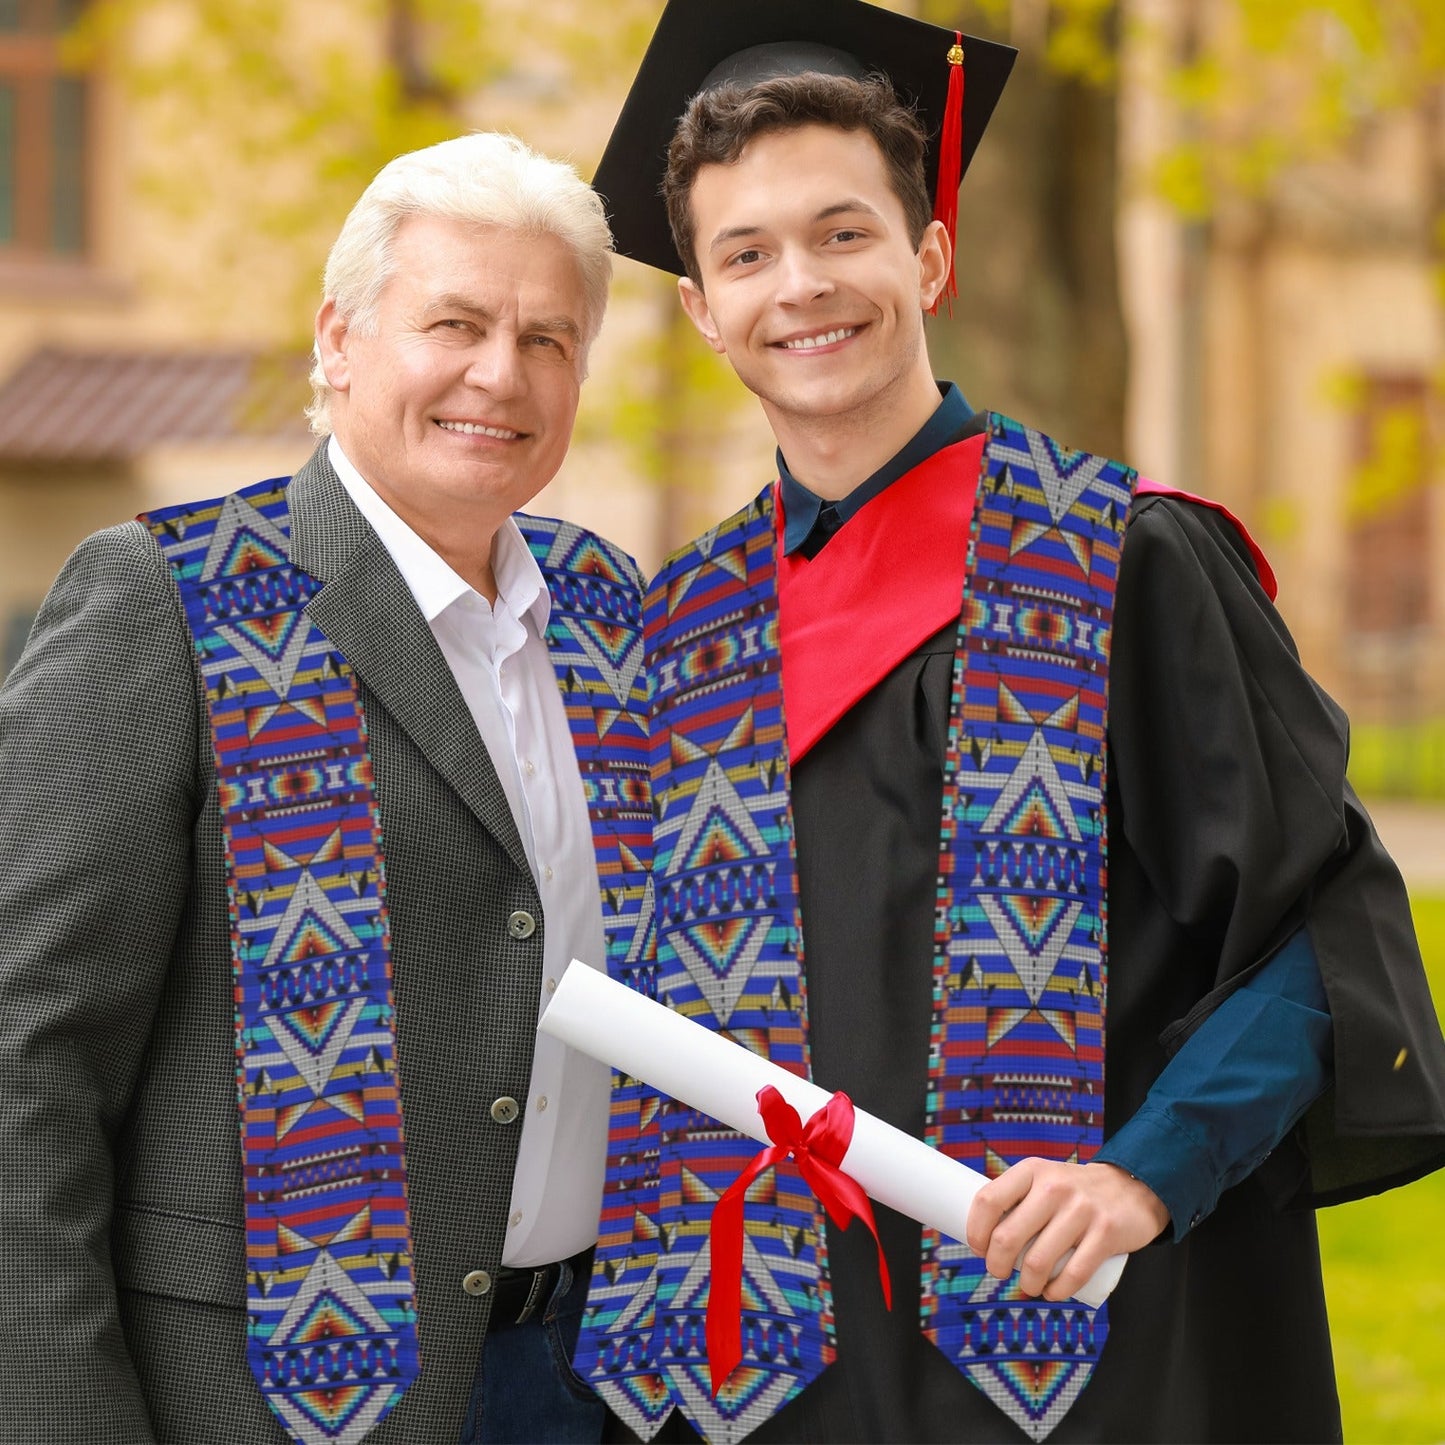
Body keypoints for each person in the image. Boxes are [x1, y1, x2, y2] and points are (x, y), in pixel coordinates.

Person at [571, 3, 1445, 1442]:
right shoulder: (680, 632)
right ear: (701, 308)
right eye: (746, 254)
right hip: (776, 1380)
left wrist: (1142, 1172)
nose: (800, 285)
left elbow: (1317, 934)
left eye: (842, 233)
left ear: (928, 254)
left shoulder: (1121, 560)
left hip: (1090, 1346)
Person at [0, 132, 650, 1445]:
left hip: (587, 1384)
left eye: (546, 338)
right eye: (455, 321)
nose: (498, 373)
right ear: (339, 340)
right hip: (265, 1399)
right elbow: (28, 1057)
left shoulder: (609, 614)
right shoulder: (172, 598)